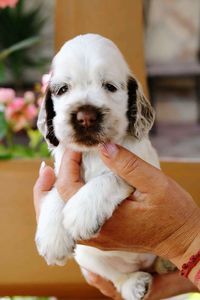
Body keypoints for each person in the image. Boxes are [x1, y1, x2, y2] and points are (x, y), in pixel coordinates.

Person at [33, 143, 200, 299]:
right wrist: (53, 214)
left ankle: (142, 271)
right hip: (108, 265)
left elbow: (131, 181)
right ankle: (123, 280)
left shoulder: (132, 143)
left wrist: (184, 244)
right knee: (87, 259)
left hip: (165, 253)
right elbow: (62, 188)